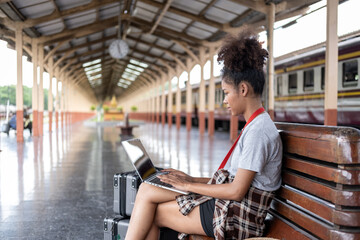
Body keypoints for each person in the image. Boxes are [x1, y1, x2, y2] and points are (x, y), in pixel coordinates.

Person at [125, 29, 283, 240]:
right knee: (147, 189)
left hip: (236, 217)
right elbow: (236, 181)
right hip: (231, 206)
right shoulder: (255, 126)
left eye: (226, 93)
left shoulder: (259, 132)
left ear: (243, 90)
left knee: (153, 209)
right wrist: (188, 178)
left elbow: (236, 191)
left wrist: (188, 186)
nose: (224, 100)